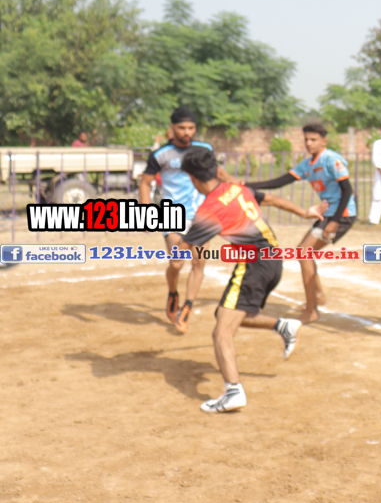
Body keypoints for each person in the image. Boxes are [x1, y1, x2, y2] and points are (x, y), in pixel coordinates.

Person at [177, 147, 303, 414]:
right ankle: (283, 326)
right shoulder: (237, 188)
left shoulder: (209, 209)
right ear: (216, 169)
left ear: (192, 178)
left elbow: (181, 250)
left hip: (253, 265)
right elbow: (273, 199)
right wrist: (306, 213)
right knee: (225, 314)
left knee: (221, 331)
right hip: (273, 260)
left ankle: (233, 392)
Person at [244, 122, 356, 324]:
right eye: (306, 140)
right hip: (327, 214)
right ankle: (317, 296)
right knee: (305, 253)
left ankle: (312, 310)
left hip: (341, 214)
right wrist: (246, 185)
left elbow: (347, 190)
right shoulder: (307, 165)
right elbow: (280, 182)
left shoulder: (331, 159)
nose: (309, 143)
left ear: (324, 141)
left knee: (303, 253)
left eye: (313, 139)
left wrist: (335, 221)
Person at [139, 107, 233, 333]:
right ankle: (173, 293)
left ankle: (188, 306)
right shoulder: (161, 154)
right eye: (181, 128)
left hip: (203, 215)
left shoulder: (205, 149)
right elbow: (145, 183)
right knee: (176, 263)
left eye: (191, 128)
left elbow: (218, 174)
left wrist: (238, 188)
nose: (187, 132)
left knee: (199, 263)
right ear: (172, 128)